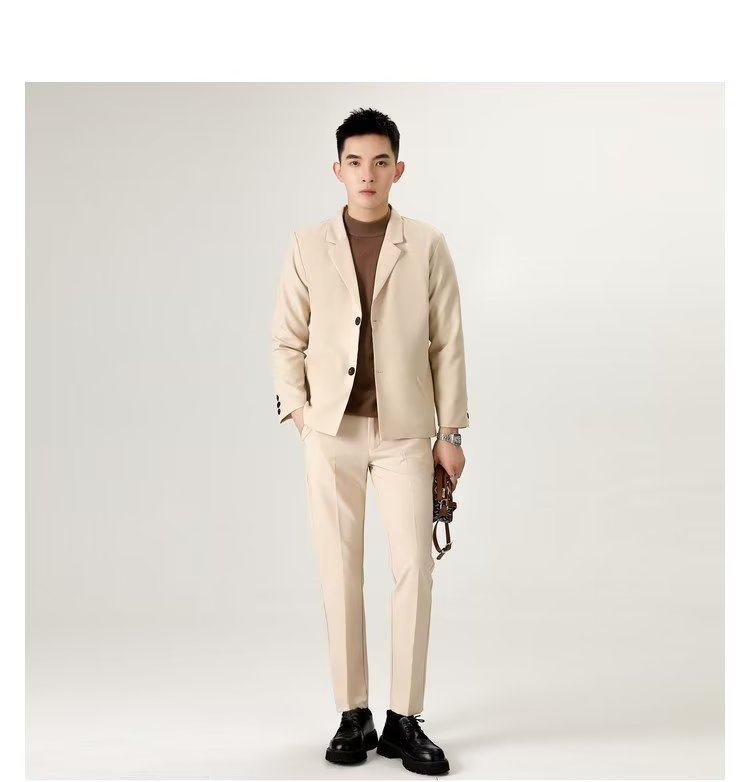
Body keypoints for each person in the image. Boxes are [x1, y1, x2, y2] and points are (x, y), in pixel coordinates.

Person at [271, 107, 469, 776]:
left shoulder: (427, 243)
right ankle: (352, 713)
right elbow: (286, 338)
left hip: (405, 432)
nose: (367, 174)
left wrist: (450, 432)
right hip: (330, 432)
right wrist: (300, 413)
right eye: (355, 162)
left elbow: (447, 342)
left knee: (415, 566)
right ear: (338, 170)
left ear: (398, 170)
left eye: (380, 162)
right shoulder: (307, 244)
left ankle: (404, 719)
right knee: (339, 569)